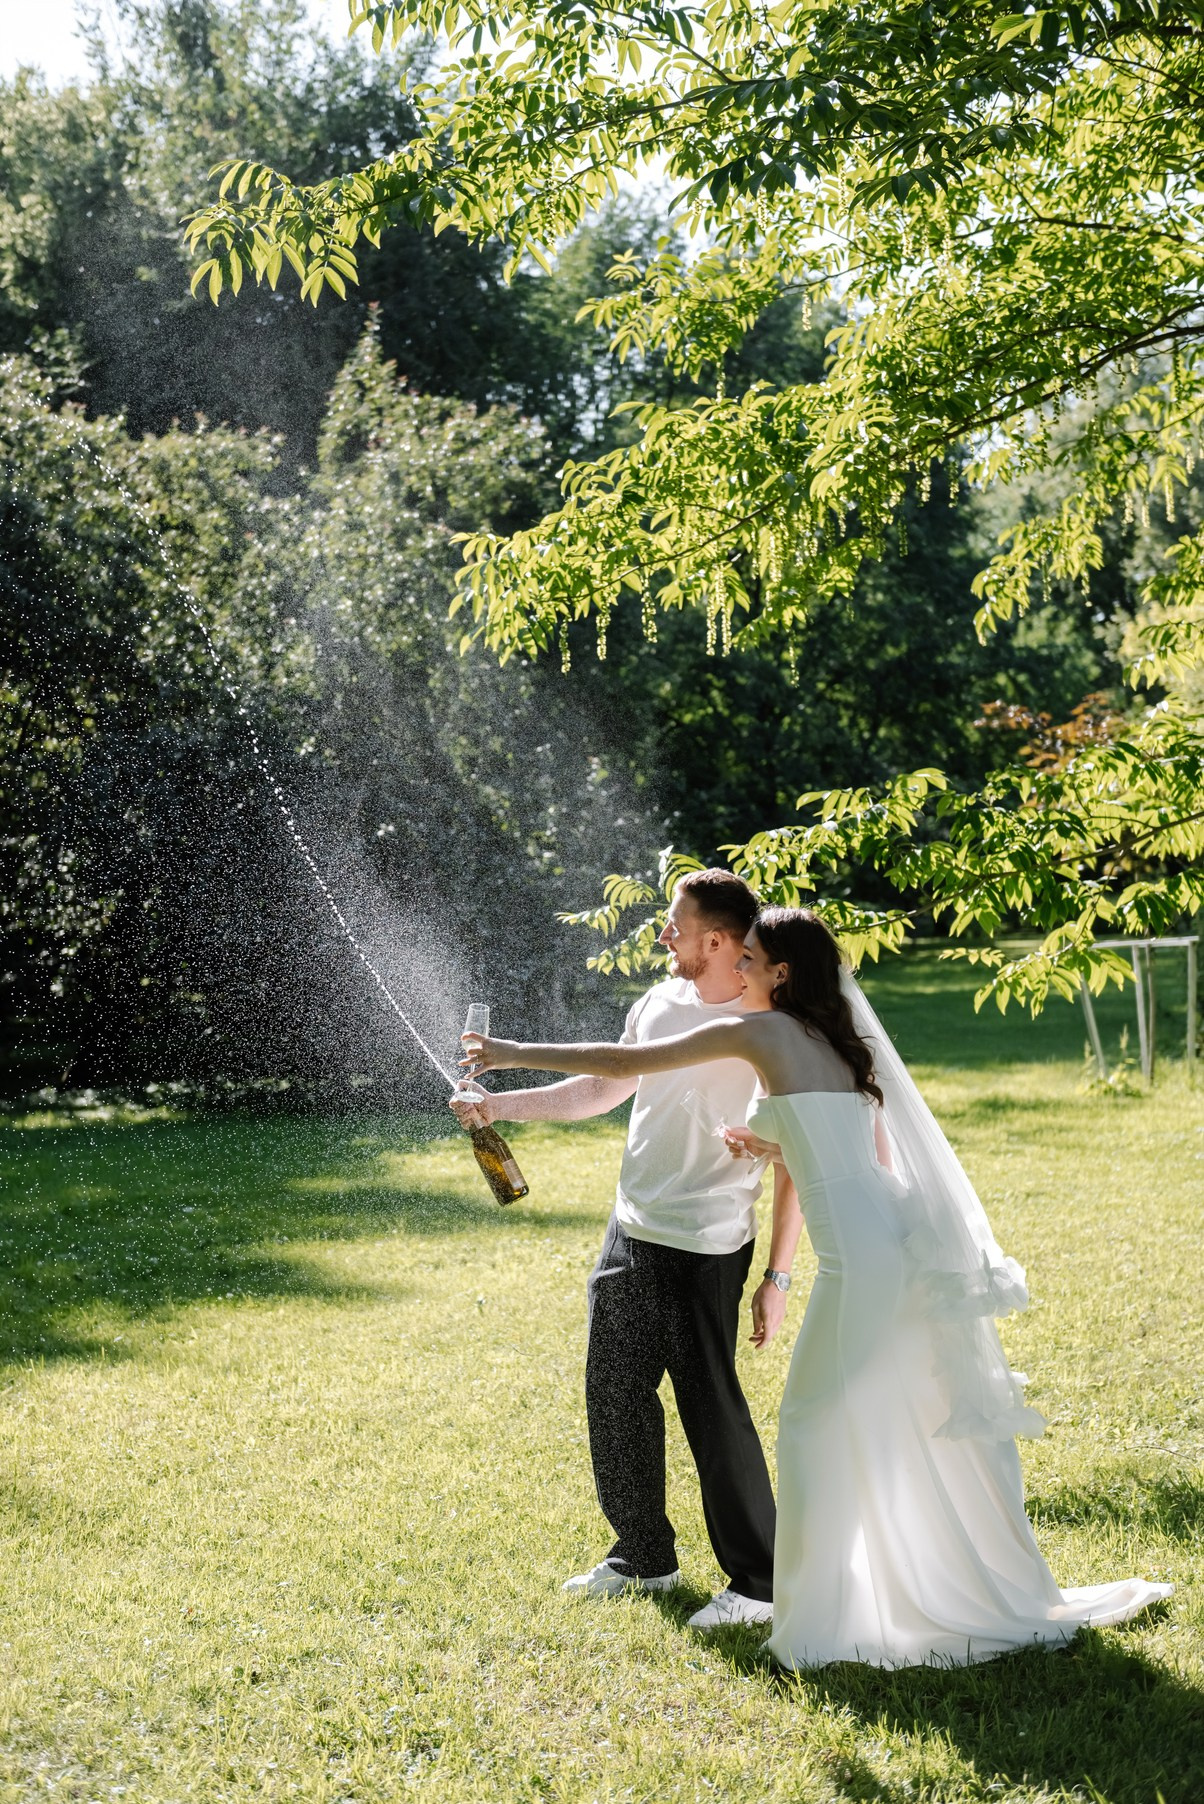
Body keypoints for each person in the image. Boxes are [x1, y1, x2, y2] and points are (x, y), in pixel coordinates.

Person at [463, 906, 1173, 1668]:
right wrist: (774, 1142)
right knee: (885, 1413)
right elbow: (846, 1144)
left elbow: (626, 1064)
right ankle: (872, 1585)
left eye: (753, 960)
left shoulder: (762, 1032)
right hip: (879, 1241)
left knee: (811, 1419)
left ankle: (808, 1606)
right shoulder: (829, 1041)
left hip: (857, 1261)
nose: (740, 970)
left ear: (780, 971)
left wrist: (506, 1051)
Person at [451, 869, 784, 1630]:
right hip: (632, 1228)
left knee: (712, 1412)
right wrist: (496, 1106)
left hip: (707, 1245)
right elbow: (603, 1088)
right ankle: (644, 1556)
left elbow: (796, 1147)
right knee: (614, 1391)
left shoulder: (770, 1018)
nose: (661, 934)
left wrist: (777, 1275)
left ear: (718, 940)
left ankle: (760, 1583)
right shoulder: (660, 1001)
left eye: (675, 924)